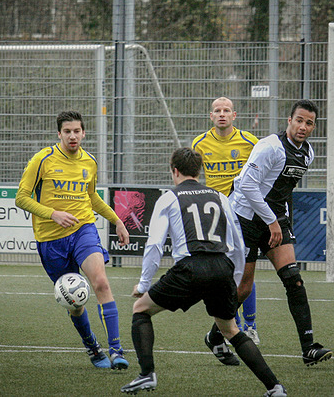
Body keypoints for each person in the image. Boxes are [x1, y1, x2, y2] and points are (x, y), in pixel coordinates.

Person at [121, 148, 286, 397]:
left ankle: (147, 374)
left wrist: (143, 285)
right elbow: (238, 243)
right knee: (231, 330)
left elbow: (154, 244)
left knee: (141, 310)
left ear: (174, 170)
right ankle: (275, 387)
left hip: (190, 268)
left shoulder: (169, 197)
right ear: (199, 171)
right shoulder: (220, 197)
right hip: (222, 267)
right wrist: (236, 276)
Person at [206, 99, 333, 368]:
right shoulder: (269, 147)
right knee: (242, 289)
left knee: (294, 279)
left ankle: (309, 347)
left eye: (309, 123)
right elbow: (248, 187)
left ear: (313, 127)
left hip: (275, 220)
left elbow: (283, 191)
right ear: (289, 120)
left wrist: (281, 223)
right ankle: (215, 335)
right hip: (245, 218)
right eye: (299, 120)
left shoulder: (308, 153)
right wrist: (272, 221)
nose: (303, 126)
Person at [15, 110, 130, 369]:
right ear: (59, 134)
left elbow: (92, 198)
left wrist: (117, 221)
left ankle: (116, 350)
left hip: (83, 230)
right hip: (50, 240)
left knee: (100, 281)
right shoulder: (42, 160)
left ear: (84, 133)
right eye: (67, 131)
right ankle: (92, 348)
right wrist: (52, 213)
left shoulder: (89, 162)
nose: (72, 136)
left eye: (77, 131)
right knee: (75, 303)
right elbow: (21, 198)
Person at [192, 97, 261, 344]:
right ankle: (237, 325)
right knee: (225, 272)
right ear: (211, 116)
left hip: (244, 213)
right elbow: (194, 178)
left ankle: (251, 325)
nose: (222, 114)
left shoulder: (249, 142)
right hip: (216, 216)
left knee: (245, 270)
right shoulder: (199, 143)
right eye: (217, 111)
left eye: (226, 110)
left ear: (235, 116)